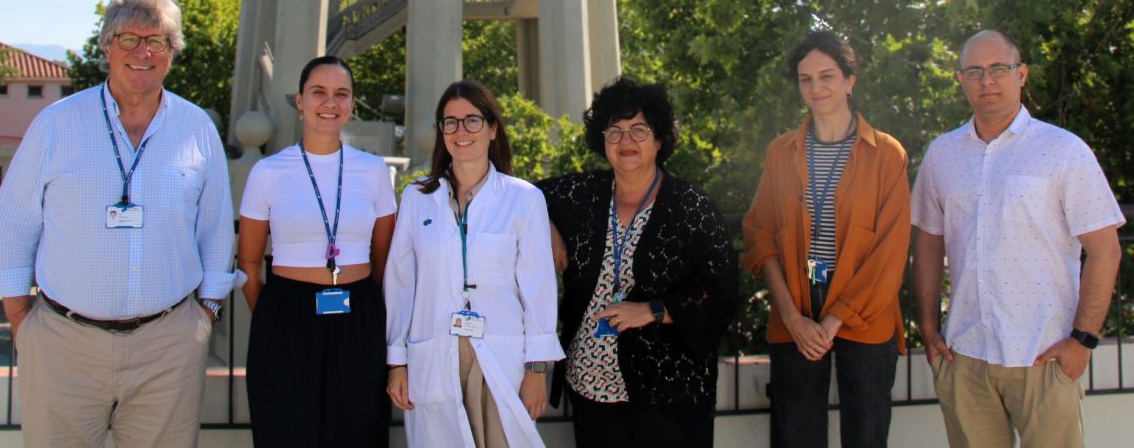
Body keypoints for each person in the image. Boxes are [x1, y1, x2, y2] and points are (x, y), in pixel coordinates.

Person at [0, 0, 243, 447]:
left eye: (156, 41)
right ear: (107, 47)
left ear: (172, 51)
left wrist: (206, 315)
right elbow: (13, 222)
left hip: (168, 348)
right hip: (63, 345)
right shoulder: (57, 124)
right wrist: (22, 319)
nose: (143, 52)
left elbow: (216, 229)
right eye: (129, 39)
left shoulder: (196, 128)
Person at [912, 30, 1124, 448]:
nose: (987, 80)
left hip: (1044, 355)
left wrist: (1083, 340)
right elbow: (929, 244)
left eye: (998, 69)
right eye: (975, 71)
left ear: (1021, 74)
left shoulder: (1064, 150)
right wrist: (929, 329)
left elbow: (1106, 249)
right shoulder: (942, 154)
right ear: (961, 79)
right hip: (965, 354)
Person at [537, 77, 738, 448]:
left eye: (638, 130)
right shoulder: (582, 195)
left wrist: (652, 311)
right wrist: (548, 227)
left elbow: (721, 292)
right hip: (591, 389)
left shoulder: (690, 206)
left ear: (659, 139)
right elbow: (520, 196)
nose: (625, 141)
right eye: (614, 131)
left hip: (668, 394)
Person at [742, 31, 911, 448]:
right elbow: (760, 235)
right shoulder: (780, 152)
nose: (816, 88)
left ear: (850, 81)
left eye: (827, 76)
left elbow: (889, 255)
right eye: (806, 79)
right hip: (796, 313)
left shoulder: (887, 154)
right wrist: (793, 318)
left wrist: (835, 320)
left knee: (867, 438)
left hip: (865, 316)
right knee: (796, 438)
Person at [384, 81, 564, 447]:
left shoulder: (524, 199)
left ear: (493, 128)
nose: (460, 131)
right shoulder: (417, 198)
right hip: (434, 351)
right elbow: (401, 285)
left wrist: (536, 370)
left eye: (472, 120)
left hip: (500, 352)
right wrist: (397, 362)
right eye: (450, 122)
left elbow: (538, 289)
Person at [237, 55, 397, 446]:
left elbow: (383, 261)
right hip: (287, 317)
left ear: (352, 104)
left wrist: (365, 307)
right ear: (300, 100)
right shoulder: (268, 172)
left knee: (358, 434)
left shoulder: (374, 170)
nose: (330, 103)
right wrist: (279, 316)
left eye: (341, 94)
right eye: (318, 92)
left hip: (358, 315)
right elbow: (249, 263)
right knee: (287, 433)